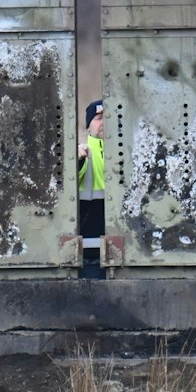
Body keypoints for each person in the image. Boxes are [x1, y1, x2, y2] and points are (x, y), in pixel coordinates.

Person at [77, 99, 107, 280]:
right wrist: (77, 159)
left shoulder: (132, 153)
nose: (104, 122)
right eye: (98, 118)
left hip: (127, 252)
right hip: (90, 255)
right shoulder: (82, 154)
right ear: (88, 126)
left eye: (108, 117)